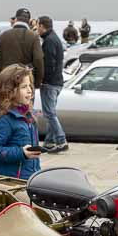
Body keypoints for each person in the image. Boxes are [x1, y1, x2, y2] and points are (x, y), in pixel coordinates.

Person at [0, 64, 41, 179]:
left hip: (30, 178)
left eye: (30, 86)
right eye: (24, 87)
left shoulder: (28, 115)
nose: (29, 91)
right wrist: (21, 153)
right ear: (10, 91)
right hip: (11, 183)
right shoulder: (3, 118)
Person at [37, 16, 68, 153]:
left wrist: (42, 79)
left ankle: (61, 140)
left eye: (37, 25)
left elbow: (48, 64)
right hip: (58, 81)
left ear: (42, 26)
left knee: (49, 113)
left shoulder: (48, 41)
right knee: (51, 112)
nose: (36, 28)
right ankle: (49, 142)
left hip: (50, 82)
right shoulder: (54, 38)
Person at [0, 8, 44, 88]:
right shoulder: (33, 36)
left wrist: (3, 75)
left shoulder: (4, 35)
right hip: (26, 80)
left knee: (9, 100)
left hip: (8, 79)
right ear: (28, 21)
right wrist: (37, 83)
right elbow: (38, 60)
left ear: (16, 19)